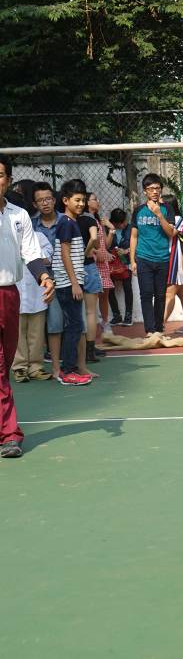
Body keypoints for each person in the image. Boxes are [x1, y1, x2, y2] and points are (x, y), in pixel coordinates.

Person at [0, 154, 54, 458]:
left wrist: (45, 277)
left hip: (10, 296)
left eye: (0, 175)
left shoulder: (19, 215)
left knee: (4, 367)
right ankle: (10, 434)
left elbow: (31, 254)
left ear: (8, 180)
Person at [52, 179, 93, 386]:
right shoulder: (66, 223)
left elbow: (72, 253)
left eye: (83, 200)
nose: (81, 204)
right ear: (65, 200)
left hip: (72, 281)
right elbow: (64, 254)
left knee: (75, 326)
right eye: (77, 200)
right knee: (74, 326)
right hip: (69, 284)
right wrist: (74, 283)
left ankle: (71, 369)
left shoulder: (71, 223)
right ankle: (67, 371)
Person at [130, 174, 176, 335]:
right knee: (146, 294)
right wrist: (132, 260)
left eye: (157, 188)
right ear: (145, 191)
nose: (155, 191)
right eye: (151, 189)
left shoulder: (167, 209)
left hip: (162, 258)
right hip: (143, 258)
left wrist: (159, 215)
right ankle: (149, 329)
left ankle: (159, 328)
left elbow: (171, 233)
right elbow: (134, 236)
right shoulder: (138, 211)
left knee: (161, 295)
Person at [32, 182, 65, 372]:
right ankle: (47, 364)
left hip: (65, 277)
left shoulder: (66, 221)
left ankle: (69, 361)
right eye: (40, 200)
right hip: (39, 281)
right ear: (35, 204)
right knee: (47, 323)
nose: (45, 203)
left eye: (48, 199)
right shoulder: (29, 224)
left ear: (54, 200)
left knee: (69, 321)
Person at [12, 231, 54, 382]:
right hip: (15, 291)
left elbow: (49, 256)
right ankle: (19, 368)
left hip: (37, 293)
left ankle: (36, 367)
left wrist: (32, 254)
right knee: (17, 334)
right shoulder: (6, 236)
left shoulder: (39, 236)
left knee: (36, 334)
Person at [162, 194, 183, 334]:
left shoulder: (179, 219)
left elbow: (171, 234)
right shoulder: (165, 219)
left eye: (162, 204)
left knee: (170, 292)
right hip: (170, 258)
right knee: (182, 291)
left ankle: (159, 325)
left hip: (177, 260)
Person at [77, 202, 103, 363]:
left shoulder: (64, 221)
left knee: (75, 313)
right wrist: (86, 253)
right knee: (91, 312)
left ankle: (76, 350)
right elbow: (96, 240)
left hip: (72, 269)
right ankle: (90, 351)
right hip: (89, 267)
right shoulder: (89, 221)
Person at [86, 192, 115, 335]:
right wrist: (98, 253)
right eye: (94, 199)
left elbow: (106, 244)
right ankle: (91, 324)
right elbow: (88, 243)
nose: (98, 201)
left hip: (103, 264)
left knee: (105, 295)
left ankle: (105, 322)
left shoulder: (98, 221)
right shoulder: (85, 219)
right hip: (92, 262)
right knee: (92, 296)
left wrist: (111, 229)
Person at [108, 208, 133, 326]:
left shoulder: (130, 228)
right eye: (121, 223)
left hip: (126, 262)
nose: (124, 224)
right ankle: (116, 315)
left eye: (124, 222)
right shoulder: (107, 228)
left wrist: (127, 250)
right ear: (114, 223)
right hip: (111, 263)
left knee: (128, 287)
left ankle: (128, 316)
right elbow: (103, 244)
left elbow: (137, 243)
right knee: (109, 289)